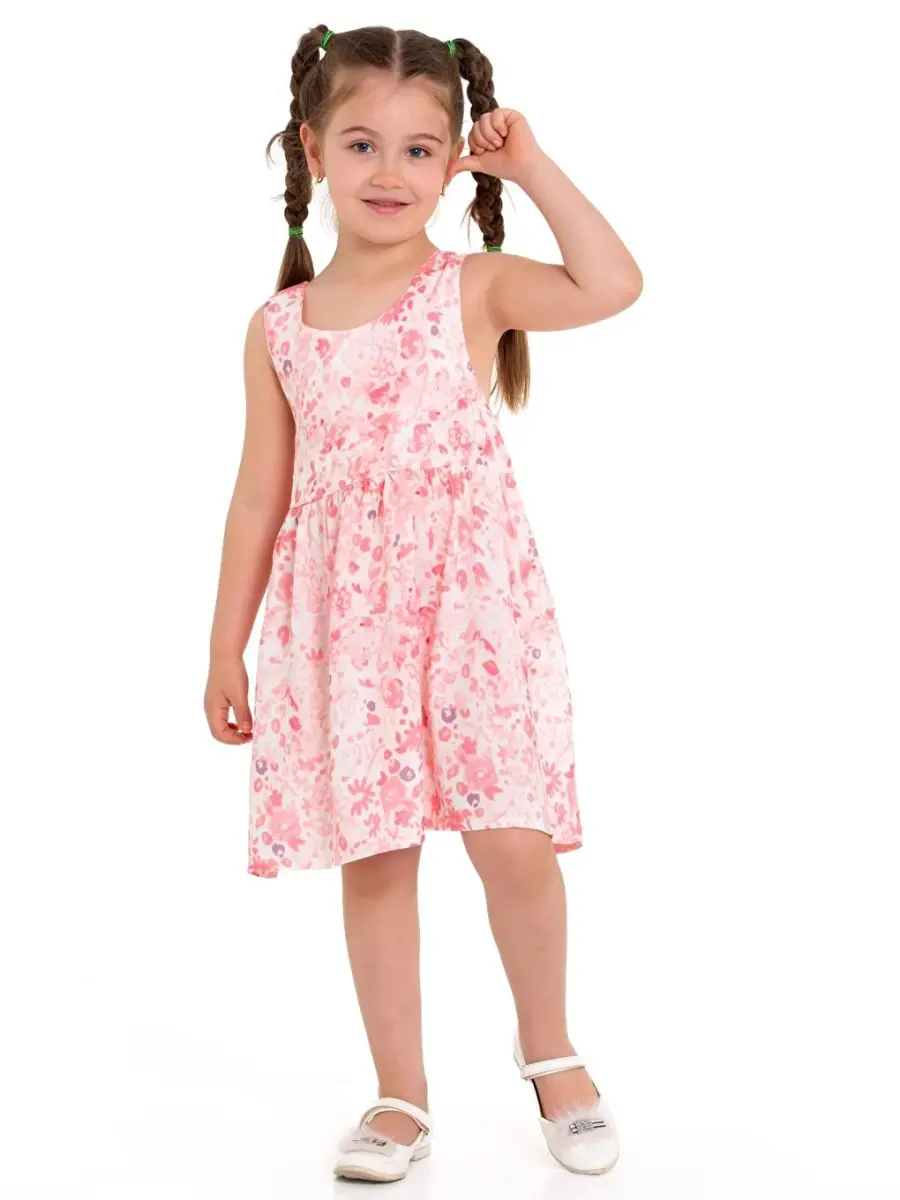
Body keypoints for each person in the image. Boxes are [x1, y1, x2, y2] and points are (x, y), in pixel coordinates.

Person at [204, 22, 642, 1183]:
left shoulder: (474, 288)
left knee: (515, 842)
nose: (389, 172)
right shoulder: (280, 328)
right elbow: (258, 498)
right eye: (361, 144)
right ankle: (400, 1093)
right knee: (378, 855)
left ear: (454, 161)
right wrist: (224, 648)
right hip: (348, 630)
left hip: (475, 618)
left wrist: (531, 167)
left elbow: (614, 284)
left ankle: (551, 1052)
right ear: (311, 150)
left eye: (418, 148)